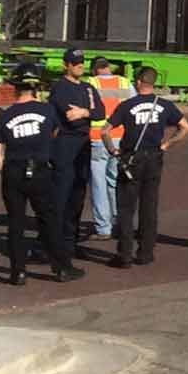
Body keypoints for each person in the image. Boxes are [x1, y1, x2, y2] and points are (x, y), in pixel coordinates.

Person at [0, 63, 84, 285]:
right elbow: (54, 133)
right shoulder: (47, 110)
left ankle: (17, 272)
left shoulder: (5, 116)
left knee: (16, 222)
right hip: (40, 170)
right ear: (36, 88)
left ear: (15, 87)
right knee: (49, 220)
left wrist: (8, 173)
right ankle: (61, 269)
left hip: (13, 171)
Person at [103, 66, 188, 268]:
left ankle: (124, 254)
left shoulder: (127, 105)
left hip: (131, 158)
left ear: (140, 82)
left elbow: (105, 131)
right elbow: (185, 127)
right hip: (153, 157)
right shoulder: (165, 105)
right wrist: (166, 145)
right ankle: (145, 252)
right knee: (149, 206)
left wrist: (113, 151)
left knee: (126, 208)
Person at [47, 47, 106, 251]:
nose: (80, 66)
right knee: (60, 193)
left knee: (78, 192)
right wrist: (84, 113)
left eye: (82, 62)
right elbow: (69, 115)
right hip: (64, 143)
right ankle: (52, 241)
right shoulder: (60, 88)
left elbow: (100, 112)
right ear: (66, 65)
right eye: (75, 63)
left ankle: (70, 240)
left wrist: (84, 112)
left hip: (83, 143)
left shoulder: (88, 88)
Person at [84, 57, 135, 241]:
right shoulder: (124, 82)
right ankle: (119, 222)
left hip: (97, 138)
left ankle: (103, 228)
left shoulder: (91, 83)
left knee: (98, 184)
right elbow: (134, 107)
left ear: (94, 70)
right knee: (115, 181)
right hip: (121, 138)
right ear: (108, 68)